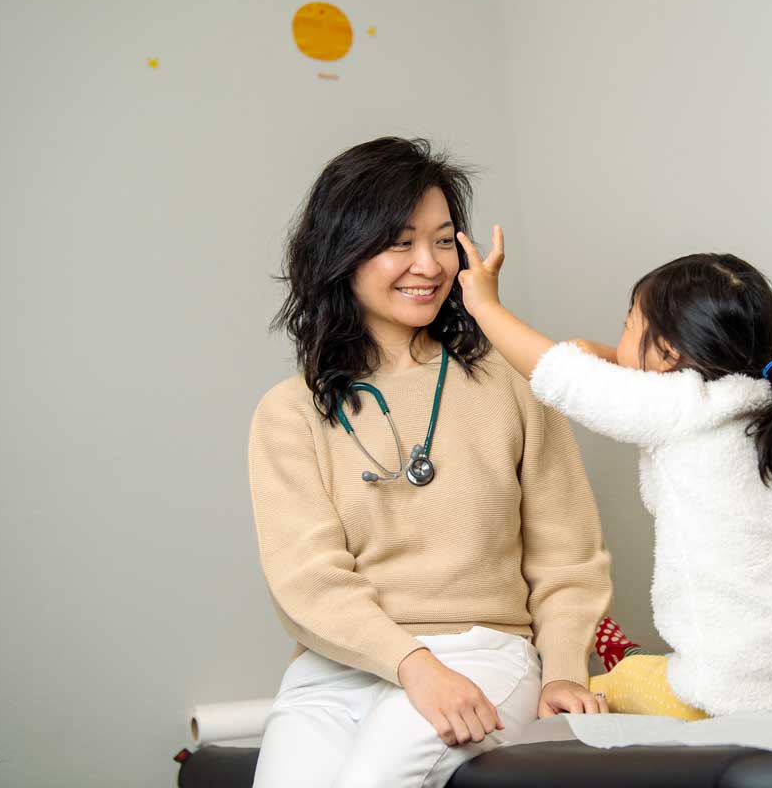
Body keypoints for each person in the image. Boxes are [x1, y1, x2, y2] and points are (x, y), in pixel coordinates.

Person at [247, 137, 612, 788]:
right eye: (400, 242)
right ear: (342, 252)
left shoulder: (514, 382)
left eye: (444, 241)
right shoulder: (290, 411)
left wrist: (563, 671)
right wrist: (411, 664)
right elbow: (307, 581)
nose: (429, 264)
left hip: (481, 653)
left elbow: (567, 556)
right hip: (336, 671)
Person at [457, 227, 772, 719]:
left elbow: (557, 374)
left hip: (731, 692)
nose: (620, 338)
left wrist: (485, 306)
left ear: (670, 355)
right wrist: (611, 354)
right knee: (659, 668)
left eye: (628, 326)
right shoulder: (763, 408)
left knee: (602, 689)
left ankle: (625, 662)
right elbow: (612, 372)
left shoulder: (678, 409)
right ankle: (638, 660)